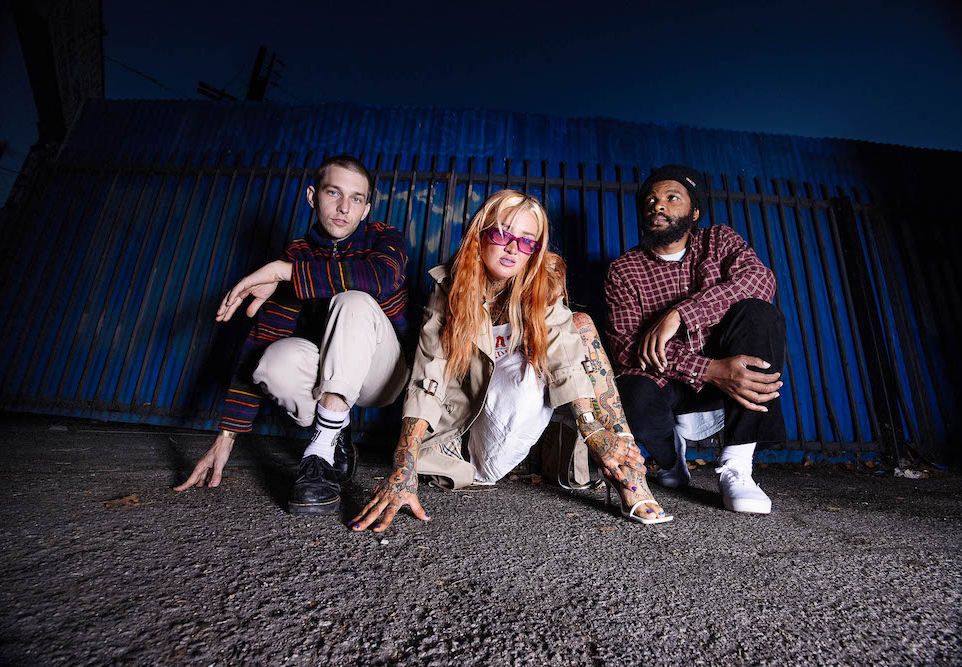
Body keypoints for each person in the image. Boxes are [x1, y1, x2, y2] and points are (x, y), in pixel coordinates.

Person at [350, 189, 671, 532]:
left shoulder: (542, 285)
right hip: (471, 440)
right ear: (480, 234)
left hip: (521, 420)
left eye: (527, 241)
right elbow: (428, 375)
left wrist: (594, 432)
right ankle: (603, 464)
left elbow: (566, 360)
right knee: (547, 353)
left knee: (579, 326)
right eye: (502, 234)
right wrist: (403, 468)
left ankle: (629, 478)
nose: (513, 249)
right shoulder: (450, 288)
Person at [173, 155, 410, 516]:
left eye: (356, 198)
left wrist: (285, 272)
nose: (344, 208)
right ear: (312, 196)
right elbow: (262, 338)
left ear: (366, 209)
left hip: (384, 375)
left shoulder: (384, 238)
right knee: (272, 361)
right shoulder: (297, 254)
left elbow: (380, 278)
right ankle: (333, 436)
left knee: (353, 300)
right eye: (333, 193)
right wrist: (227, 436)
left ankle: (317, 453)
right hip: (332, 374)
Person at [605, 164, 786, 514]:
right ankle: (671, 459)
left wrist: (680, 314)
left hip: (732, 378)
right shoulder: (624, 269)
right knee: (629, 390)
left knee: (759, 314)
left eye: (672, 198)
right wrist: (708, 369)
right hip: (670, 381)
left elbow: (760, 281)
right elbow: (626, 347)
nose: (658, 206)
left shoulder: (719, 240)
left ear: (695, 212)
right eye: (651, 201)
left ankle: (737, 465)